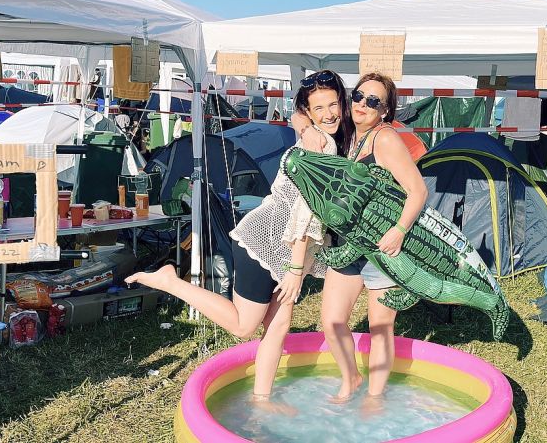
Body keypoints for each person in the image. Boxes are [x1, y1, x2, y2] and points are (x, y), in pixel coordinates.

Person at [126, 70, 352, 405]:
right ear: (310, 110)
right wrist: (294, 270)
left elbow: (297, 116)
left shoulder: (323, 136)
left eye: (333, 104)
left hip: (287, 246)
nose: (329, 114)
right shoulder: (319, 146)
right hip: (267, 242)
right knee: (245, 326)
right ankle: (171, 282)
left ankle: (262, 399)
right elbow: (307, 212)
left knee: (278, 324)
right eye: (319, 109)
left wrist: (305, 121)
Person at [295, 72, 427, 406]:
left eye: (373, 101)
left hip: (382, 249)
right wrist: (305, 127)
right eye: (358, 96)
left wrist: (399, 230)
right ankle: (351, 377)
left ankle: (375, 396)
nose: (362, 105)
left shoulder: (385, 139)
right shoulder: (350, 134)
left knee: (381, 325)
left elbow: (418, 190)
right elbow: (300, 111)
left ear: (385, 110)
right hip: (347, 246)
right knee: (332, 320)